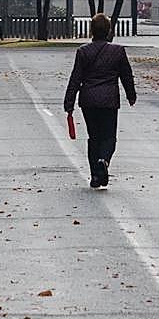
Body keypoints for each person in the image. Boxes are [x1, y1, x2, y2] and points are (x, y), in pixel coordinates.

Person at [63, 13, 136, 189]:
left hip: (88, 100)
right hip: (109, 100)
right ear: (109, 30)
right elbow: (126, 75)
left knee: (93, 137)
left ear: (92, 30)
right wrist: (131, 94)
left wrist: (69, 102)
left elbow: (76, 78)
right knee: (109, 136)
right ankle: (104, 160)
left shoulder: (83, 52)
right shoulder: (118, 51)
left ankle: (96, 176)